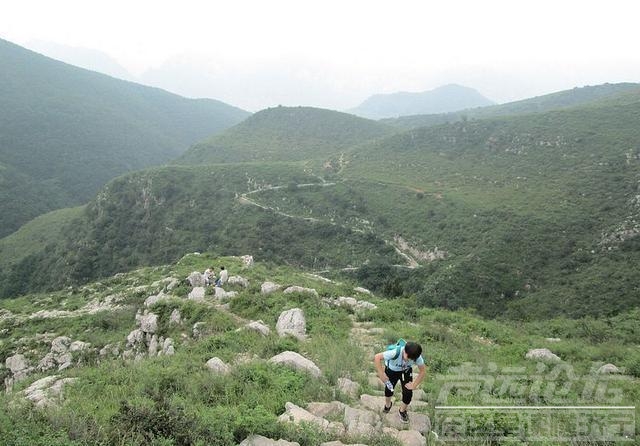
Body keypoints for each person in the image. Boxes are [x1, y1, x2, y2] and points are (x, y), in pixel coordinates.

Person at [373, 341, 426, 423]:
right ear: (404, 350)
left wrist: (414, 384)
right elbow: (377, 357)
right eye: (407, 357)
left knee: (408, 392)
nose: (408, 360)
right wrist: (381, 374)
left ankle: (402, 411)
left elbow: (422, 371)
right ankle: (388, 405)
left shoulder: (417, 357)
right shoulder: (394, 353)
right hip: (391, 371)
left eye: (411, 359)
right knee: (389, 389)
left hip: (406, 371)